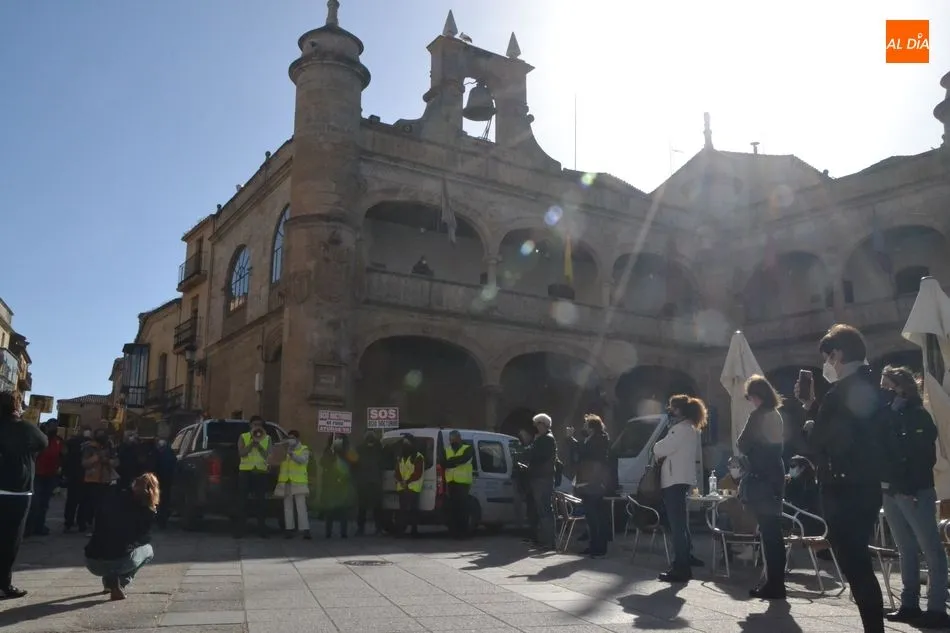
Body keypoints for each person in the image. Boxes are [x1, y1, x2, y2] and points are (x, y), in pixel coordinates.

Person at [801, 324, 885, 633]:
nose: (827, 364)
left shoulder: (840, 392)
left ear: (837, 354)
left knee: (855, 565)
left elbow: (822, 441)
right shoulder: (873, 384)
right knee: (859, 562)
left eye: (827, 357)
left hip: (843, 488)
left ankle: (874, 628)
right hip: (866, 485)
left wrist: (811, 419)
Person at [878, 365, 950, 629]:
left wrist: (910, 488)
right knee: (905, 548)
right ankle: (909, 604)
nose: (883, 391)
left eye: (886, 386)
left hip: (915, 490)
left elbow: (922, 456)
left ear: (901, 387)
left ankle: (937, 607)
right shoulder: (887, 415)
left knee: (930, 548)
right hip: (890, 489)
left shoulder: (919, 415)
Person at [737, 375, 787, 599]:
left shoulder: (758, 415)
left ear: (757, 395)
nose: (750, 401)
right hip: (775, 475)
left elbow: (742, 442)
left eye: (750, 396)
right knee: (773, 533)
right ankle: (776, 582)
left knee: (769, 534)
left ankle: (774, 584)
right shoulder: (775, 414)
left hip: (761, 477)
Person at [0, 391, 48, 599]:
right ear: (17, 406)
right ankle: (4, 584)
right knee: (10, 540)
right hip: (17, 491)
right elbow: (43, 442)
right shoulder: (25, 428)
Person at [654, 394, 706, 583]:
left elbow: (659, 449)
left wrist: (662, 439)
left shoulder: (679, 429)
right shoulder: (691, 428)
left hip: (673, 480)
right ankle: (686, 558)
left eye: (672, 407)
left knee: (676, 527)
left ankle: (681, 567)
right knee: (681, 524)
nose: (670, 410)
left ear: (679, 410)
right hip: (682, 479)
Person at [84, 473, 158, 601]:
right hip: (117, 561)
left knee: (114, 546)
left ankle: (111, 582)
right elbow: (144, 538)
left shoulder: (114, 498)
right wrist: (151, 513)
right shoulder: (145, 510)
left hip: (92, 560)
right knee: (148, 550)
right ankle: (120, 583)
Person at [568, 414, 611, 557]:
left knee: (594, 516)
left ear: (592, 427)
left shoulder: (598, 439)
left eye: (586, 424)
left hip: (592, 481)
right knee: (592, 516)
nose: (584, 427)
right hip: (591, 481)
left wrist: (571, 439)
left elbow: (584, 452)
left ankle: (598, 547)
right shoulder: (595, 439)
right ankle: (595, 545)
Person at [26, 418, 64, 537]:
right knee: (35, 502)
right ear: (47, 426)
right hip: (37, 474)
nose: (54, 428)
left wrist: (60, 468)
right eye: (52, 426)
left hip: (50, 475)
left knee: (44, 503)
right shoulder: (40, 439)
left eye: (56, 426)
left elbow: (61, 455)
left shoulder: (58, 441)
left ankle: (39, 525)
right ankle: (29, 527)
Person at [526, 413, 559, 551]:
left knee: (545, 509)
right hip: (540, 476)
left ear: (544, 424)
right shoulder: (543, 439)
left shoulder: (546, 439)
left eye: (538, 424)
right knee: (542, 509)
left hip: (543, 477)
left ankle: (549, 541)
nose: (536, 427)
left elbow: (538, 456)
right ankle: (545, 540)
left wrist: (531, 448)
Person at [235, 416, 272, 538]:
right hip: (245, 471)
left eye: (259, 424)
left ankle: (262, 529)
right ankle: (240, 529)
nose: (257, 426)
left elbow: (269, 456)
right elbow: (241, 453)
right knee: (242, 501)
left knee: (261, 502)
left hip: (260, 472)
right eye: (255, 424)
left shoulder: (267, 438)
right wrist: (251, 444)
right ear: (250, 425)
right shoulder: (243, 437)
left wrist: (259, 446)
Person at [80, 427, 118, 536]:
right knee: (93, 506)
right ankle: (91, 527)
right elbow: (85, 463)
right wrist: (96, 457)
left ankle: (101, 527)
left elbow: (116, 462)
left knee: (104, 506)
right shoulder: (89, 447)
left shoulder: (109, 447)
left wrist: (107, 460)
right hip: (92, 480)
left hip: (106, 480)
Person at [275, 430, 311, 539]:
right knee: (288, 507)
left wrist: (292, 454)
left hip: (299, 482)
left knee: (301, 507)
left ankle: (305, 530)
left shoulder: (304, 449)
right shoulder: (284, 450)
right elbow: (276, 461)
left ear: (297, 439)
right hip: (286, 481)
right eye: (289, 438)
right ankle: (289, 529)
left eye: (292, 438)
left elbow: (302, 461)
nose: (290, 440)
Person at [443, 430, 474, 538]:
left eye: (453, 439)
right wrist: (455, 462)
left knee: (463, 509)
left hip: (463, 483)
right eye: (450, 439)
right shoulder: (447, 450)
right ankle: (454, 532)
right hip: (451, 483)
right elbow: (443, 462)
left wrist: (451, 461)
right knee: (453, 509)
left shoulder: (468, 448)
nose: (452, 441)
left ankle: (463, 533)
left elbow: (463, 459)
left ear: (459, 438)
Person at [394, 435, 424, 538]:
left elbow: (418, 473)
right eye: (404, 443)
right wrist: (401, 481)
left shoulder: (418, 457)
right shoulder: (401, 457)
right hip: (402, 487)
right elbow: (397, 471)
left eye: (407, 442)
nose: (405, 445)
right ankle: (400, 531)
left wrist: (406, 481)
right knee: (402, 511)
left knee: (413, 511)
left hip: (413, 487)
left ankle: (414, 531)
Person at [63, 426, 91, 533]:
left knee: (72, 501)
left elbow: (66, 457)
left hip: (74, 475)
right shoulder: (90, 443)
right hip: (85, 475)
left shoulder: (72, 442)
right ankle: (81, 523)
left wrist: (65, 472)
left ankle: (68, 522)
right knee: (83, 501)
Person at [355, 431, 383, 536]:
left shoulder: (360, 449)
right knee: (373, 508)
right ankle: (376, 528)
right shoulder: (378, 450)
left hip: (366, 482)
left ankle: (362, 528)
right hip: (372, 482)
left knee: (365, 508)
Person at [153, 438, 177, 529]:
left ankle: (160, 519)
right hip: (165, 480)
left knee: (161, 500)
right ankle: (162, 519)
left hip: (161, 480)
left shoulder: (158, 453)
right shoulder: (169, 453)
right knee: (164, 500)